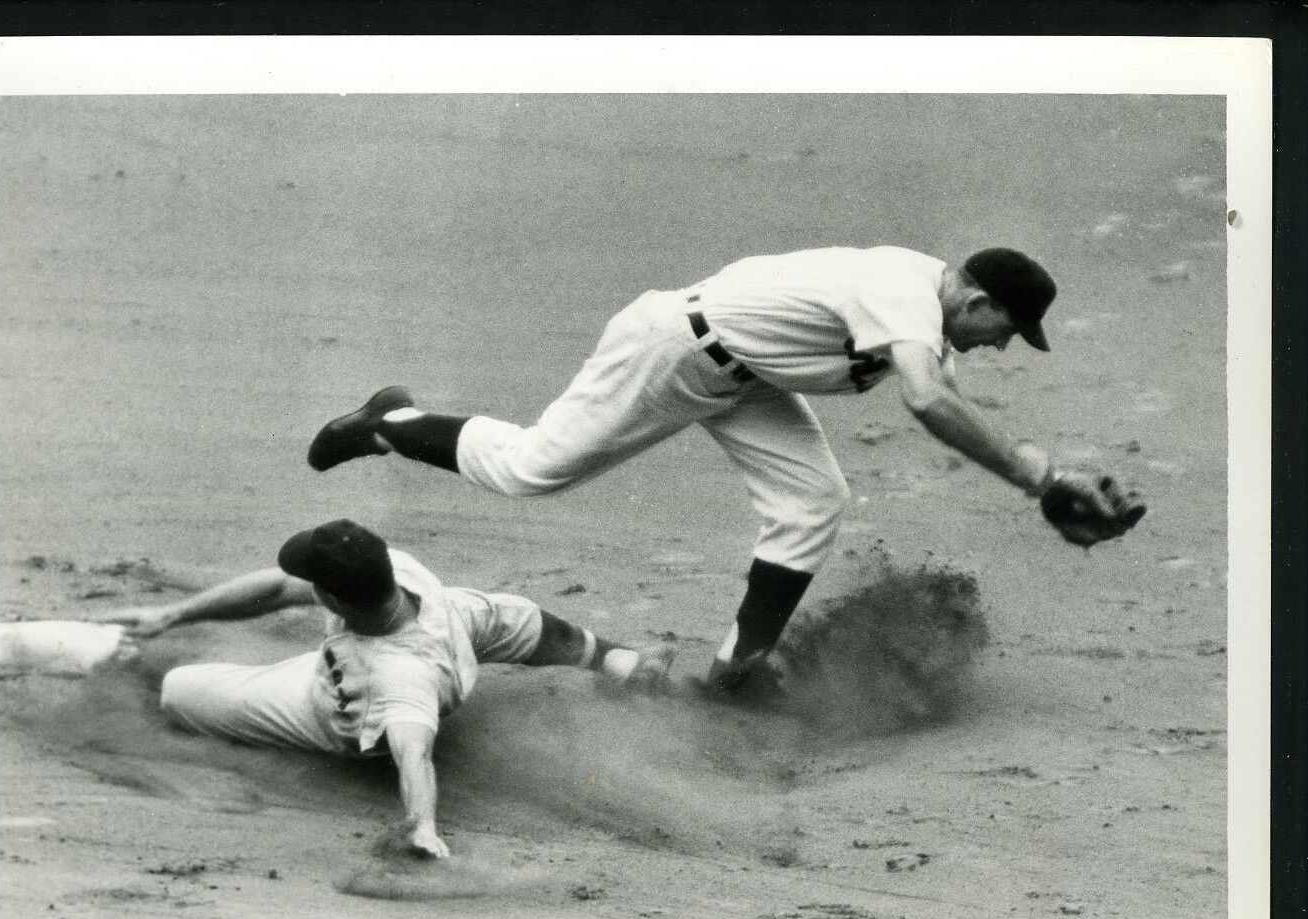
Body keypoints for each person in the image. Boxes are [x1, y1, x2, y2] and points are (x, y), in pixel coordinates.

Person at [307, 246, 1144, 692]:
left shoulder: (920, 320)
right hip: (671, 350)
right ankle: (390, 422)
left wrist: (1043, 482)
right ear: (978, 302)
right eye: (1006, 330)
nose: (1000, 345)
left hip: (742, 376)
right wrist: (1038, 478)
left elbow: (956, 410)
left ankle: (736, 671)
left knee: (815, 498)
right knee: (531, 469)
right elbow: (925, 403)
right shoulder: (905, 291)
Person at [103, 519, 674, 859]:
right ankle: (619, 661)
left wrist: (422, 827)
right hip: (443, 634)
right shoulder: (398, 570)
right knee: (499, 614)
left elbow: (413, 752)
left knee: (178, 689)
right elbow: (280, 587)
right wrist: (171, 614)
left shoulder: (395, 680)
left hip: (332, 712)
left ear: (335, 599)